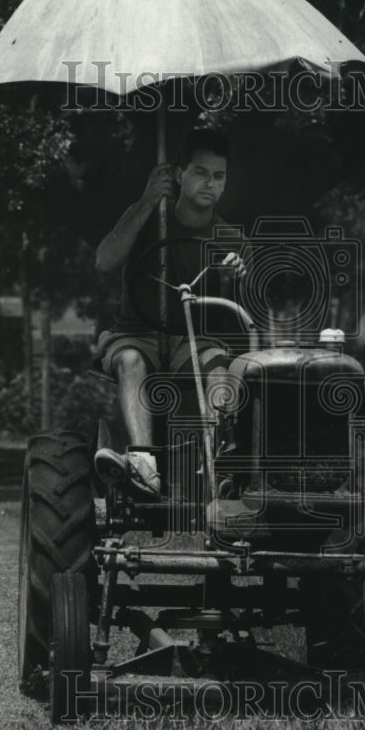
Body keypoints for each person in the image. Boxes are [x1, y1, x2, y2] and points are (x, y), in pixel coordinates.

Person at [93, 129, 246, 500]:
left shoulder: (230, 239)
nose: (209, 183)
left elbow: (247, 312)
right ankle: (144, 466)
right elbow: (103, 262)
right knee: (131, 360)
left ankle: (221, 466)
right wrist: (146, 201)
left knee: (221, 368)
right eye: (200, 172)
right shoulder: (146, 219)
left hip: (193, 342)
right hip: (136, 334)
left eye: (218, 175)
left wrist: (236, 275)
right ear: (179, 175)